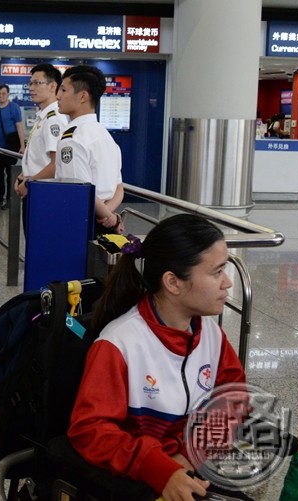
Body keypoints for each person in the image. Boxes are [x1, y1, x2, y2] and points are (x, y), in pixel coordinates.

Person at [68, 214, 245, 501]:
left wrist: (188, 455)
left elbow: (234, 399)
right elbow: (90, 430)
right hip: (136, 476)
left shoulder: (211, 335)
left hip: (192, 464)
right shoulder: (119, 343)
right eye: (216, 272)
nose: (227, 283)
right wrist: (159, 468)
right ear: (173, 282)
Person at [54, 65, 124, 233]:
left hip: (82, 221)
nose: (58, 96)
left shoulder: (72, 139)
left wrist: (111, 219)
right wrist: (110, 216)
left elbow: (82, 190)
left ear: (83, 96)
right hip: (105, 216)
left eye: (63, 90)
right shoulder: (105, 135)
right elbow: (119, 187)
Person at [14, 64, 68, 199]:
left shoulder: (53, 119)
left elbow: (56, 164)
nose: (31, 88)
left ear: (52, 86)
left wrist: (28, 183)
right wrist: (24, 175)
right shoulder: (43, 116)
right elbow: (39, 157)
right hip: (34, 184)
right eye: (31, 83)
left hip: (43, 190)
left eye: (37, 83)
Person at [0, 84, 24, 208]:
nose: (1, 96)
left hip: (10, 147)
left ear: (8, 94)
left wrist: (22, 145)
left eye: (3, 94)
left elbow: (19, 126)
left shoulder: (14, 108)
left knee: (10, 174)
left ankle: (10, 200)